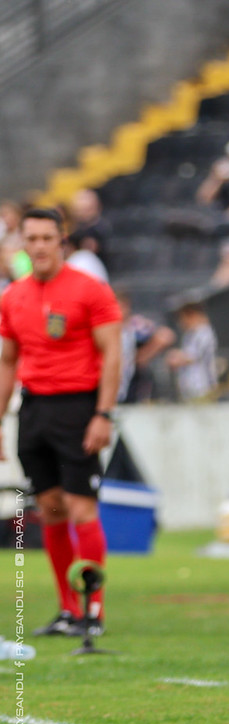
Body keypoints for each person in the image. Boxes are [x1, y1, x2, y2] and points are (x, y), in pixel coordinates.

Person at [0, 207, 122, 636]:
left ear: (62, 240)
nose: (38, 246)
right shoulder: (13, 296)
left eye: (47, 238)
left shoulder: (90, 291)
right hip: (33, 410)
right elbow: (8, 363)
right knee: (50, 511)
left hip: (79, 407)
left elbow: (112, 356)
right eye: (31, 239)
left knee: (81, 508)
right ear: (23, 243)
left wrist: (103, 414)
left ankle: (94, 609)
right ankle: (68, 609)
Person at [165, 301, 219, 402]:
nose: (180, 322)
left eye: (182, 317)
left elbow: (195, 356)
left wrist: (176, 357)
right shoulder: (189, 335)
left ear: (192, 314)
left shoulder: (204, 332)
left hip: (202, 389)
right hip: (188, 390)